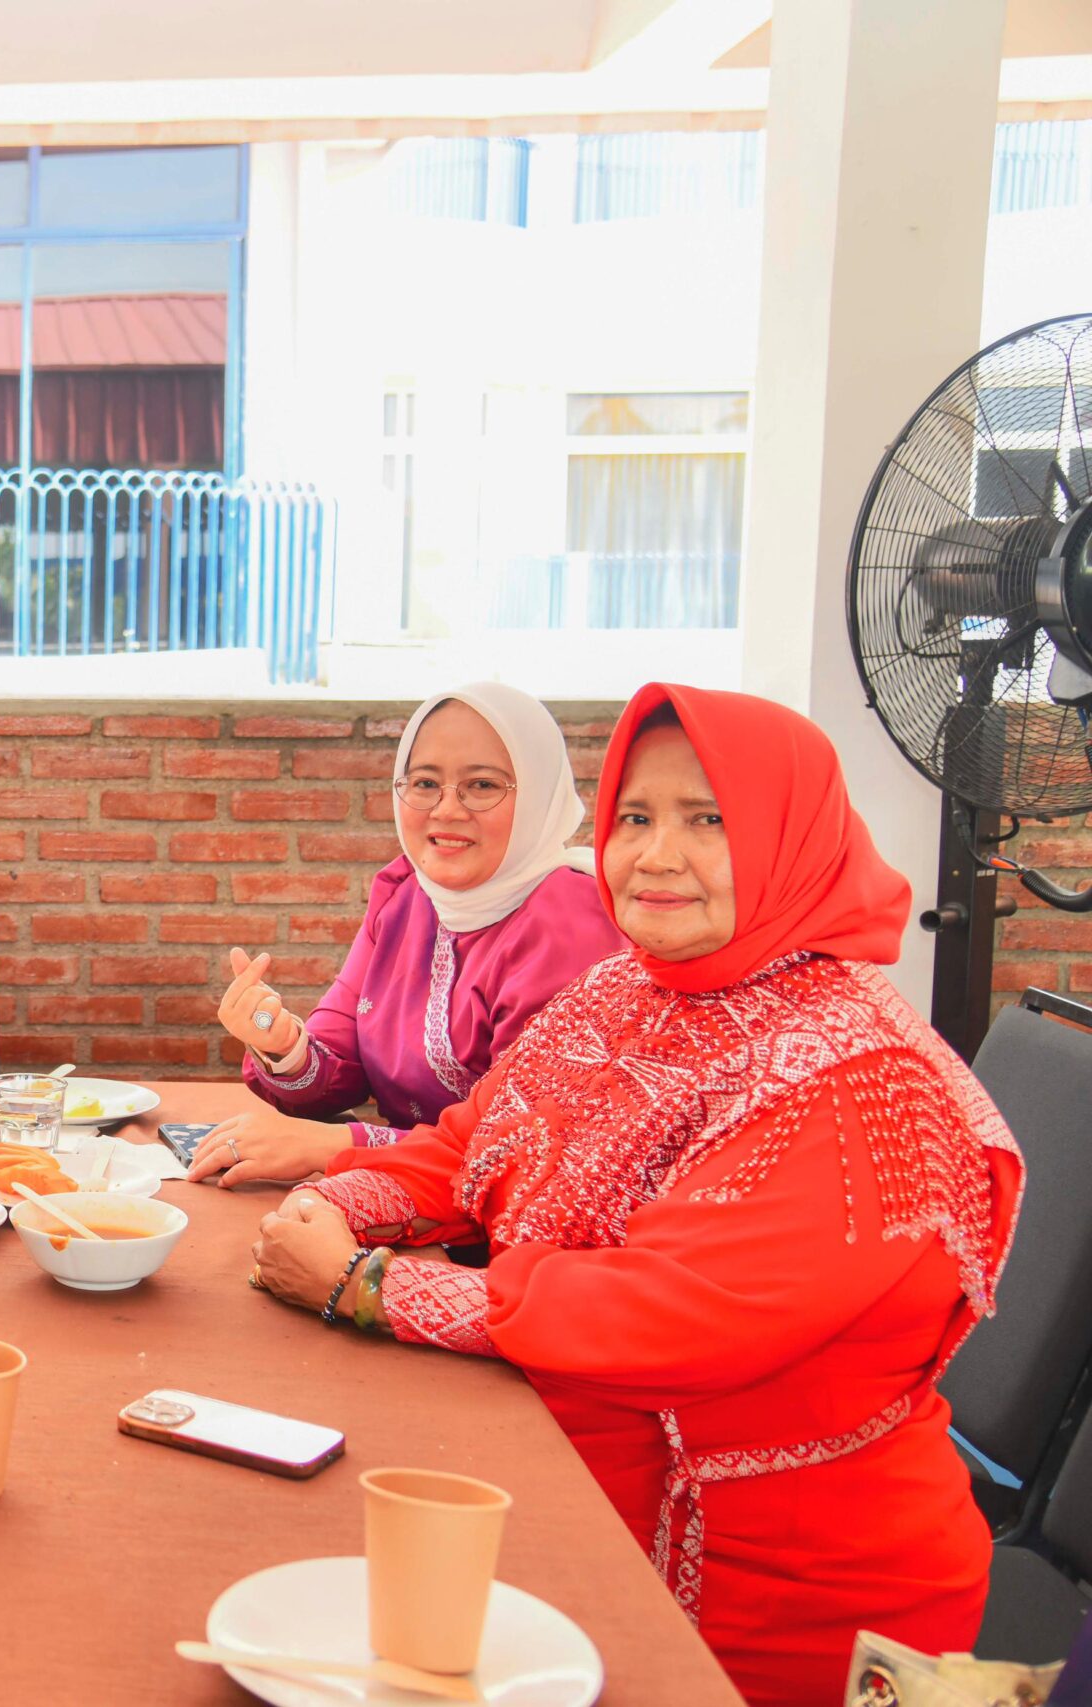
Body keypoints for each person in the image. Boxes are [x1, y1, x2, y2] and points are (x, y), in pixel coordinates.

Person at [249, 683, 1022, 1707]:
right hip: (583, 1505)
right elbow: (478, 1142)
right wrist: (343, 1203)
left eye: (709, 820)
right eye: (635, 817)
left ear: (792, 837)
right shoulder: (632, 987)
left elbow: (672, 1313)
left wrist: (368, 1287)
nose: (656, 856)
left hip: (776, 1601)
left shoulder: (855, 1074)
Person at [187, 682, 622, 1187]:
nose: (447, 809)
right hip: (399, 1193)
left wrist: (335, 1147)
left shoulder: (569, 920)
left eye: (483, 785)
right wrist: (282, 1045)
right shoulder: (407, 896)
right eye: (425, 783)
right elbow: (337, 1070)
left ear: (539, 794)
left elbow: (520, 1149)